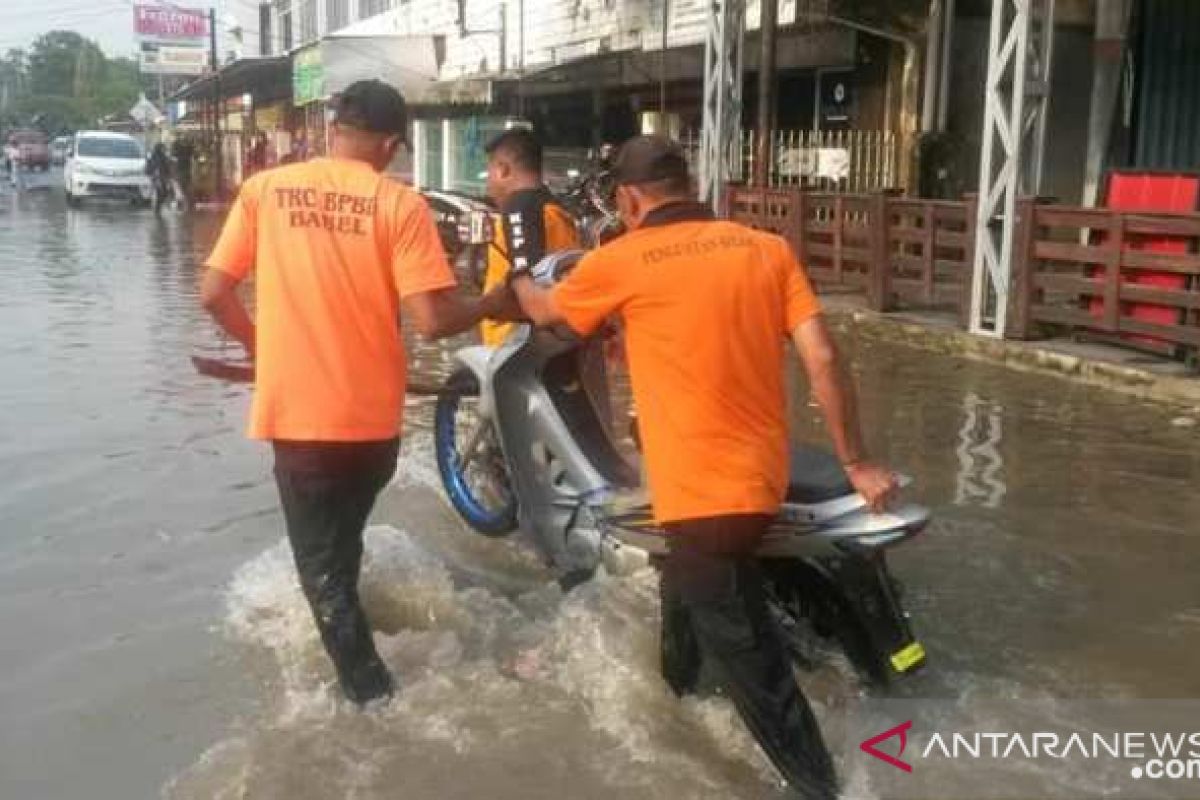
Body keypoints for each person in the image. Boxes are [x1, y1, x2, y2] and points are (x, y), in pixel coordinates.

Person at [506, 135, 898, 799]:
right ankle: (677, 693)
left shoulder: (620, 258)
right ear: (691, 185)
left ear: (629, 199)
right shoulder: (766, 249)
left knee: (762, 681)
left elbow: (547, 311)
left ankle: (820, 785)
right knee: (680, 585)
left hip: (703, 501)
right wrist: (856, 461)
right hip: (762, 483)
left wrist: (519, 273)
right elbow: (824, 359)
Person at [199, 79, 511, 705]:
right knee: (341, 549)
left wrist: (263, 345)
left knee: (323, 577)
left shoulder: (264, 191)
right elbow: (432, 320)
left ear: (331, 128)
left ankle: (376, 705)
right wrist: (493, 301)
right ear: (392, 144)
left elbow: (213, 292)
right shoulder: (399, 205)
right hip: (373, 430)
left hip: (302, 424)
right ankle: (367, 665)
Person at [479, 127, 579, 346]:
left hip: (516, 353)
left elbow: (531, 292)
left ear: (502, 170)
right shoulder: (556, 210)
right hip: (559, 344)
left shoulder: (519, 209)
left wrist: (484, 308)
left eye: (489, 172)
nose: (488, 184)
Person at [146, 142, 172, 212]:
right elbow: (150, 167)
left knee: (164, 192)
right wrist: (153, 174)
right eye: (163, 148)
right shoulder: (154, 156)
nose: (164, 150)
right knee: (160, 192)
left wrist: (168, 175)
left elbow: (167, 166)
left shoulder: (163, 156)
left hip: (162, 177)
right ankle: (157, 208)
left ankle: (158, 207)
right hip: (157, 177)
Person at [170, 136, 194, 207]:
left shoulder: (179, 150)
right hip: (184, 170)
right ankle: (185, 202)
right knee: (183, 186)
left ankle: (182, 202)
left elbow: (173, 156)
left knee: (181, 187)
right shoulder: (187, 148)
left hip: (181, 170)